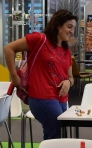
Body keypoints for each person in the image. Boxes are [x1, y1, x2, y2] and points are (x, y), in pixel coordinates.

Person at [5, 9, 76, 140]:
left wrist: (68, 82)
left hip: (61, 98)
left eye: (73, 28)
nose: (72, 31)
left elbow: (71, 77)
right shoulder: (40, 39)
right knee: (56, 133)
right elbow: (9, 48)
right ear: (58, 25)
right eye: (69, 26)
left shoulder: (66, 50)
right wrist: (14, 76)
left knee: (58, 135)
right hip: (41, 96)